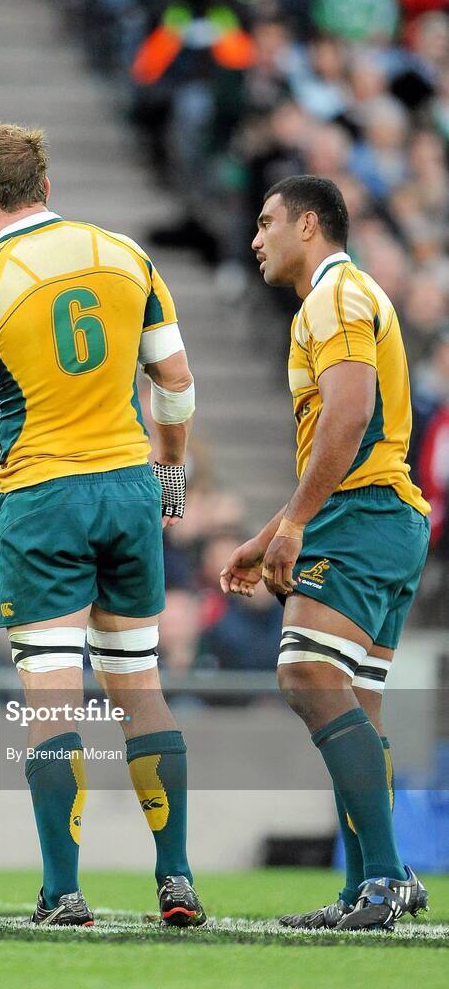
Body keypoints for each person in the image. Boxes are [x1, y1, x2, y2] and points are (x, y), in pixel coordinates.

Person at [0, 122, 204, 928]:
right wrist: (172, 468)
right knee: (140, 694)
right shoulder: (126, 255)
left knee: (54, 705)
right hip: (127, 487)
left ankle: (65, 891)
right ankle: (177, 878)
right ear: (44, 185)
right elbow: (176, 382)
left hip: (45, 495)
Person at [220, 175, 431, 931]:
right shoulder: (345, 297)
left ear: (309, 226)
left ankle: (386, 876)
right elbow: (339, 442)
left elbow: (351, 412)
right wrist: (268, 533)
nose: (256, 239)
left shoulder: (335, 297)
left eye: (267, 222)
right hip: (380, 515)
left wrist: (298, 521)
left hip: (364, 514)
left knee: (304, 673)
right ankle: (362, 888)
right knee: (355, 709)